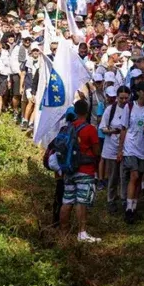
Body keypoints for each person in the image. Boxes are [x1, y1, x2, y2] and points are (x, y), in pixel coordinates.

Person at [60, 100, 102, 243]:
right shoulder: (90, 129)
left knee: (67, 201)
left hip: (69, 170)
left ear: (75, 111)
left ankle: (64, 234)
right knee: (81, 201)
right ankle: (82, 233)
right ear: (87, 111)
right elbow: (96, 151)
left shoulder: (68, 127)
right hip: (85, 170)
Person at [118, 82, 144, 223]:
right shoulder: (129, 106)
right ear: (138, 92)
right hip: (130, 146)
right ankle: (128, 208)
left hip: (143, 147)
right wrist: (120, 149)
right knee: (134, 175)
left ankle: (134, 205)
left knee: (139, 178)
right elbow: (124, 128)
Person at [101, 86, 129, 214]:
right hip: (111, 147)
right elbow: (103, 128)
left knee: (124, 176)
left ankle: (124, 199)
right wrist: (115, 131)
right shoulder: (110, 109)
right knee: (113, 175)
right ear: (117, 97)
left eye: (126, 98)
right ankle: (111, 200)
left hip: (126, 147)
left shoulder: (130, 109)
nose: (123, 100)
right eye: (121, 98)